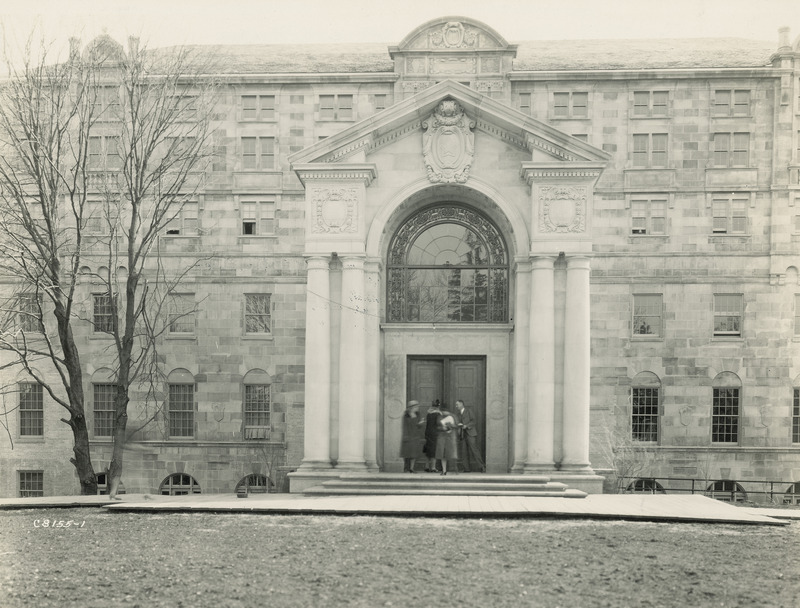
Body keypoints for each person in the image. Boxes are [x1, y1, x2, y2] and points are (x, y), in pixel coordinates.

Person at [456, 399, 485, 473]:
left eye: (457, 404)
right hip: (463, 434)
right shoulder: (458, 414)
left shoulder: (468, 411)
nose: (456, 406)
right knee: (464, 452)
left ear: (462, 404)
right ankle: (466, 468)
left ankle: (482, 467)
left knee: (474, 450)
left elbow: (474, 421)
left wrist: (467, 426)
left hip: (470, 433)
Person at [434, 404, 459, 475]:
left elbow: (457, 425)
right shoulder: (439, 417)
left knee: (452, 454)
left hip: (451, 437)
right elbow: (437, 427)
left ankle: (454, 469)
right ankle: (444, 470)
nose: (444, 413)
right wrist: (442, 428)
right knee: (442, 454)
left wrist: (450, 426)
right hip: (442, 437)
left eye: (445, 412)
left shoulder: (453, 416)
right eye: (443, 412)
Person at [400, 400, 422, 473]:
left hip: (415, 436)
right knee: (407, 454)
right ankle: (406, 468)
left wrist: (420, 424)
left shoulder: (418, 414)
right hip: (408, 436)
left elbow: (418, 426)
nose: (418, 408)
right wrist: (405, 436)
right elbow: (405, 426)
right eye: (416, 406)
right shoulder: (406, 415)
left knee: (414, 454)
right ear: (412, 407)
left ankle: (412, 468)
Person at [422, 400, 442, 472]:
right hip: (435, 434)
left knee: (428, 451)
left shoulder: (429, 414)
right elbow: (439, 424)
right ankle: (433, 467)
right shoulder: (438, 414)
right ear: (438, 406)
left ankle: (426, 466)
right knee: (434, 451)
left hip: (428, 433)